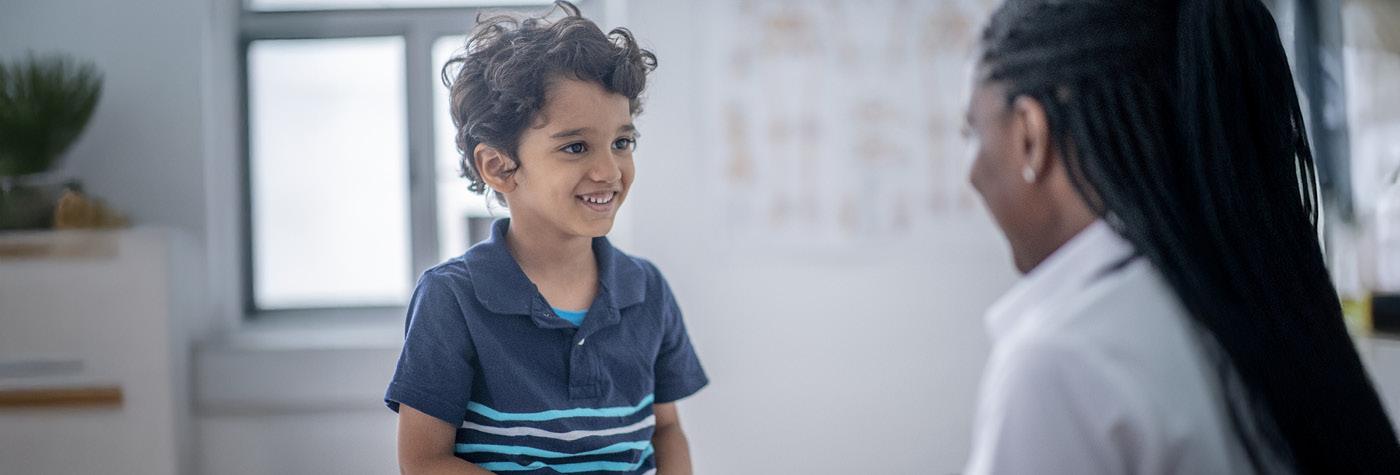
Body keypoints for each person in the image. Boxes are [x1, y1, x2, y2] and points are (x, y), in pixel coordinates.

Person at [960, 0, 1400, 473]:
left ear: (1030, 134)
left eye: (974, 133)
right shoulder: (1254, 300)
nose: (971, 173)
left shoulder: (1058, 362)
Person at [385, 2, 708, 473]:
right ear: (499, 167)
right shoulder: (451, 298)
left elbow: (666, 429)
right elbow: (424, 462)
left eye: (621, 142)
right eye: (576, 147)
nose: (609, 170)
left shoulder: (647, 289)